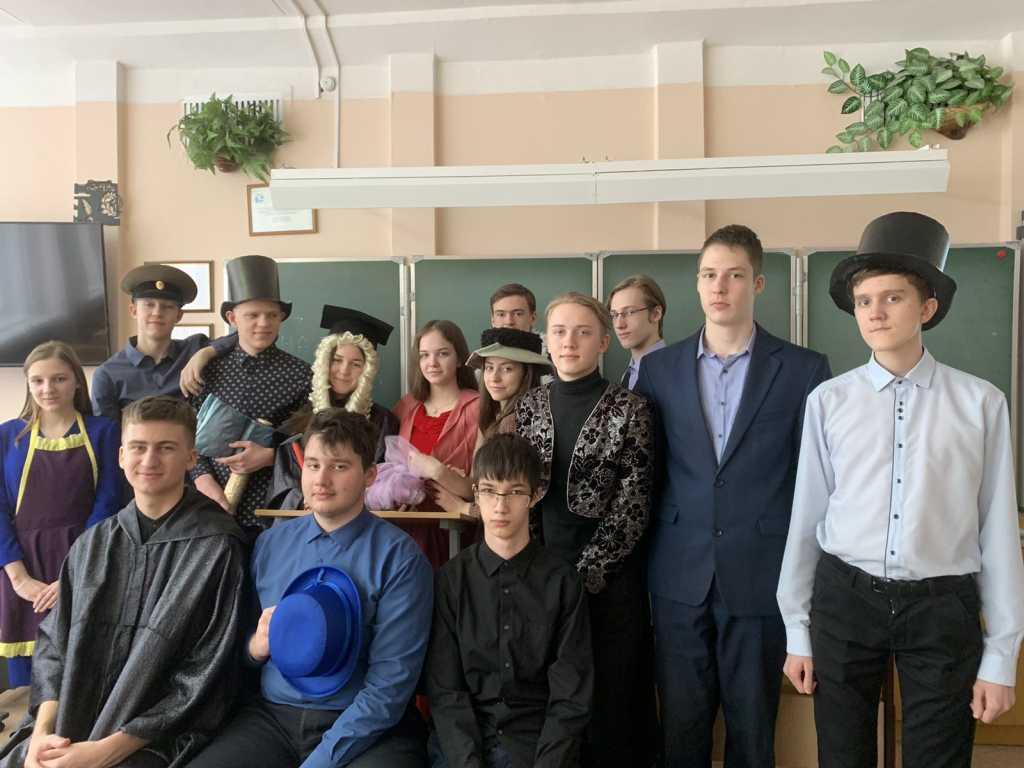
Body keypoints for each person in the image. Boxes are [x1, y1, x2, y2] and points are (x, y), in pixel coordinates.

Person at [777, 211, 1024, 767]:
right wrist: (797, 628)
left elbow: (997, 530)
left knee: (939, 756)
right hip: (845, 600)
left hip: (942, 606)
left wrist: (1001, 656)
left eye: (892, 298)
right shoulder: (828, 402)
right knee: (843, 754)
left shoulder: (981, 403)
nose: (875, 312)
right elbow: (807, 517)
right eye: (864, 301)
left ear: (927, 308)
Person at [634, 224, 830, 768]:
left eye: (734, 275)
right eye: (709, 275)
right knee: (682, 728)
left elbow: (813, 481)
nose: (720, 287)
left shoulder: (803, 369)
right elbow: (646, 475)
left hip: (761, 573)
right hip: (679, 573)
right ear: (697, 284)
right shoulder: (658, 369)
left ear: (758, 283)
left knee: (753, 729)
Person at [0, 395, 247, 768]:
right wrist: (41, 734)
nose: (149, 460)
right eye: (138, 447)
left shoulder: (217, 547)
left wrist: (103, 752)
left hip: (157, 736)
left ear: (191, 458)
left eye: (166, 448)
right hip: (68, 722)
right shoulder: (93, 544)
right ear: (120, 456)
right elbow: (54, 646)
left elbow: (205, 673)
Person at [187, 409, 433, 768]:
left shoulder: (400, 558)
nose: (322, 479)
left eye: (339, 467)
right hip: (272, 719)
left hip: (366, 726)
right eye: (314, 465)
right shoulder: (269, 544)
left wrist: (320, 762)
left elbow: (390, 687)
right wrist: (254, 648)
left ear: (369, 475)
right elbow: (235, 650)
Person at [515, 292, 654, 768]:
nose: (569, 342)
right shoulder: (529, 407)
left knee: (610, 704)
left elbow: (632, 507)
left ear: (603, 342)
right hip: (541, 578)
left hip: (611, 585)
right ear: (546, 341)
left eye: (582, 332)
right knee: (551, 698)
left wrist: (581, 579)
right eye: (559, 332)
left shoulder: (631, 409)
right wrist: (539, 572)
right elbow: (520, 494)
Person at [426, 433, 593, 768]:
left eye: (515, 492)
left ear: (535, 495)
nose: (500, 506)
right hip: (463, 744)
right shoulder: (450, 580)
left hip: (537, 744)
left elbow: (571, 697)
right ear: (476, 493)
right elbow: (446, 691)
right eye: (489, 491)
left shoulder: (562, 582)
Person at [0, 341, 122, 689]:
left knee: (83, 674)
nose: (47, 389)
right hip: (22, 568)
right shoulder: (7, 435)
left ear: (77, 382)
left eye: (59, 379)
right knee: (28, 685)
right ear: (28, 384)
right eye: (37, 381)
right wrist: (19, 579)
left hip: (84, 561)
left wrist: (74, 574)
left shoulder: (104, 432)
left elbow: (107, 505)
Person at [188, 255, 311, 534]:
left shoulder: (302, 375)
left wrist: (271, 456)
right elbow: (185, 432)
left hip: (275, 509)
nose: (263, 323)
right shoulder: (207, 370)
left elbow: (313, 442)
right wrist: (203, 480)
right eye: (252, 315)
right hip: (209, 507)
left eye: (271, 315)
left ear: (281, 318)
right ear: (232, 318)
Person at [263, 305, 399, 509]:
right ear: (324, 361)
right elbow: (283, 484)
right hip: (305, 518)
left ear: (367, 370)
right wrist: (301, 501)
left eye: (355, 364)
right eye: (337, 360)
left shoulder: (383, 422)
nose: (344, 370)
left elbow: (382, 481)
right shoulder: (297, 420)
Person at [423, 328, 550, 518]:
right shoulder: (494, 419)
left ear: (527, 373)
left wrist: (462, 507)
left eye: (507, 369)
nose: (494, 377)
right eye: (489, 367)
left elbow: (506, 505)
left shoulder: (515, 423)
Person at [90, 264, 235, 423]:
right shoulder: (107, 375)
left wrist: (205, 353)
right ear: (133, 310)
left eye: (167, 306)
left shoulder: (193, 349)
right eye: (149, 305)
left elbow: (241, 337)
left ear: (179, 315)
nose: (157, 313)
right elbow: (107, 434)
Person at [393, 320, 480, 568]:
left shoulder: (478, 408)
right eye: (424, 355)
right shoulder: (406, 407)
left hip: (453, 530)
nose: (432, 363)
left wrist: (438, 471)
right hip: (404, 528)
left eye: (442, 354)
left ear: (460, 358)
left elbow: (479, 489)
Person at [607, 274, 667, 390]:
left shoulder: (674, 371)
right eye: (614, 315)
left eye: (630, 312)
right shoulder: (628, 374)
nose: (619, 325)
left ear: (656, 314)